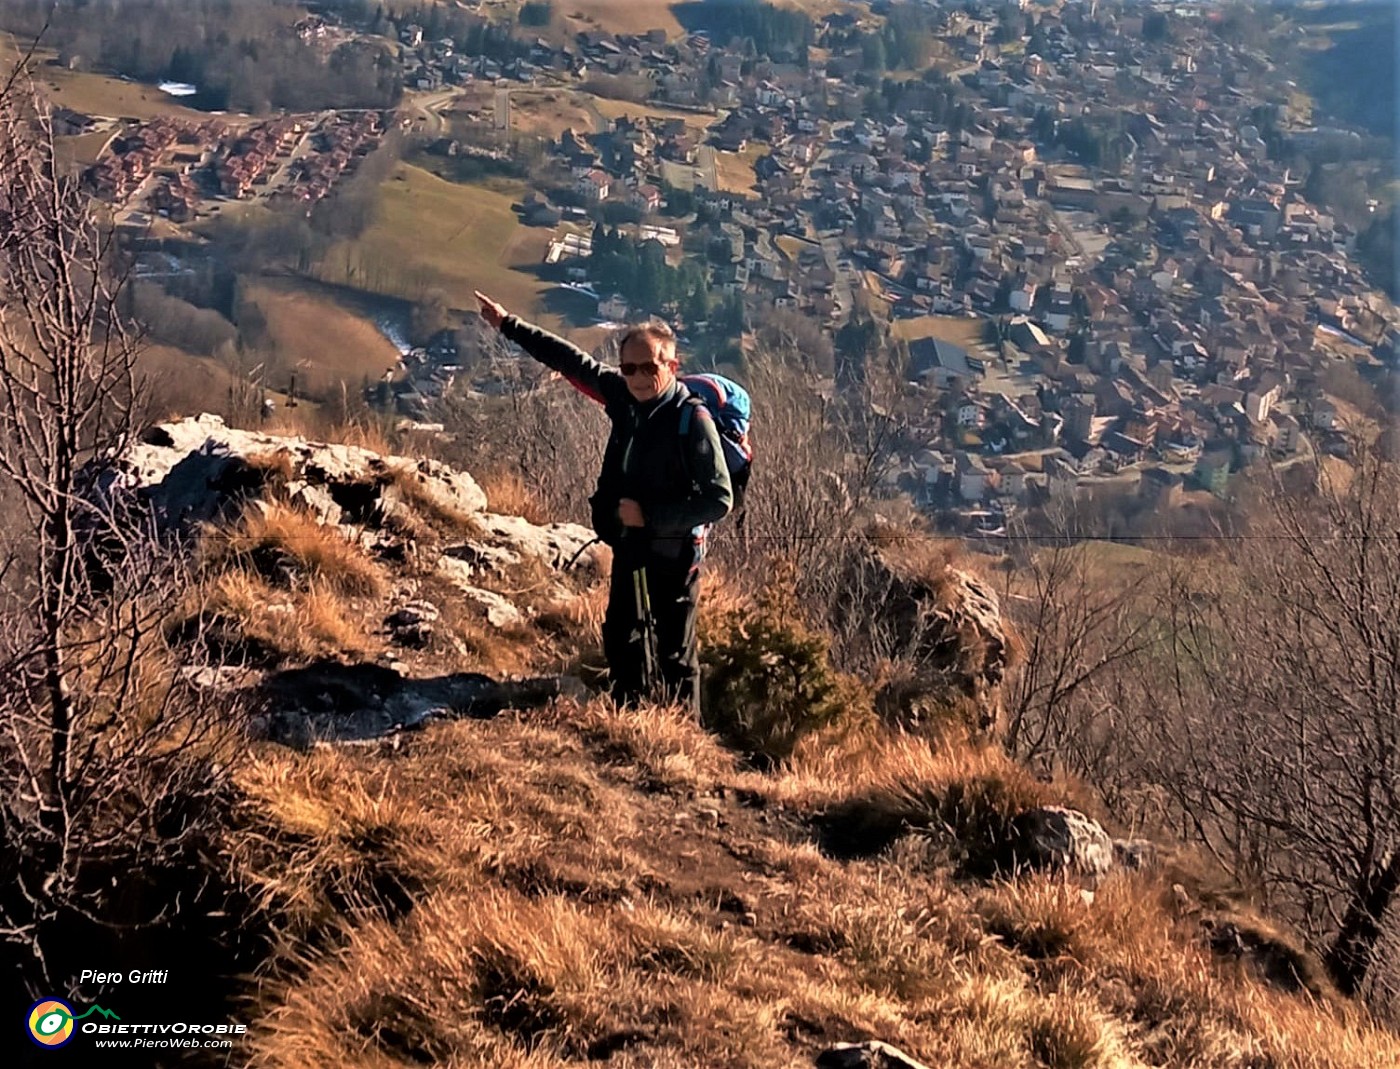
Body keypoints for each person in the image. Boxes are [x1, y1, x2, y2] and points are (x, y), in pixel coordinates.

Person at [474, 291, 732, 718]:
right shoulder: (623, 397)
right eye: (629, 367)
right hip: (631, 544)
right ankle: (628, 719)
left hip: (674, 553)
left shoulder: (693, 419)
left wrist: (651, 517)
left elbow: (718, 498)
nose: (638, 376)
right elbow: (571, 361)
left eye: (650, 367)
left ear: (671, 366)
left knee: (676, 655)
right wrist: (507, 324)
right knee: (622, 636)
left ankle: (685, 740)